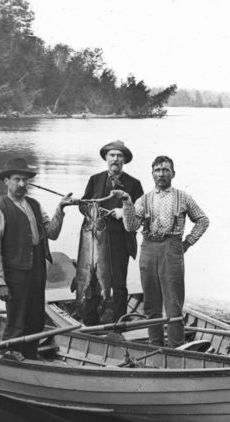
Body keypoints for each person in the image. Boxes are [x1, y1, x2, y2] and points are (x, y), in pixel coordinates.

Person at [0, 157, 74, 359]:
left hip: (37, 272)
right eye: (17, 179)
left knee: (36, 321)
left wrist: (60, 209)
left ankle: (30, 357)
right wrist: (0, 283)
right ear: (6, 181)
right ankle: (9, 354)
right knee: (16, 322)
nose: (22, 184)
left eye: (25, 180)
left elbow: (52, 233)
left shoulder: (34, 205)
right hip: (15, 275)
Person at [117, 155, 209, 347]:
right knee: (151, 304)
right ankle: (155, 345)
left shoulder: (183, 197)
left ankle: (177, 348)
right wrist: (126, 202)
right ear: (152, 174)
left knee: (174, 304)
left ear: (173, 173)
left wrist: (187, 243)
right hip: (148, 249)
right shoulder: (144, 199)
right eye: (157, 170)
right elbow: (131, 227)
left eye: (165, 170)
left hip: (172, 249)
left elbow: (202, 220)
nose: (161, 174)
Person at [81, 140, 144, 324]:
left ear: (124, 160)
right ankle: (90, 322)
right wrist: (90, 209)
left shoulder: (134, 184)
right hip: (95, 240)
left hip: (120, 242)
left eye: (119, 156)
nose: (115, 159)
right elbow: (83, 205)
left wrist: (124, 212)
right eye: (112, 155)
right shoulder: (95, 179)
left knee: (118, 284)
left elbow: (141, 215)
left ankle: (119, 324)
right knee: (93, 281)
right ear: (106, 158)